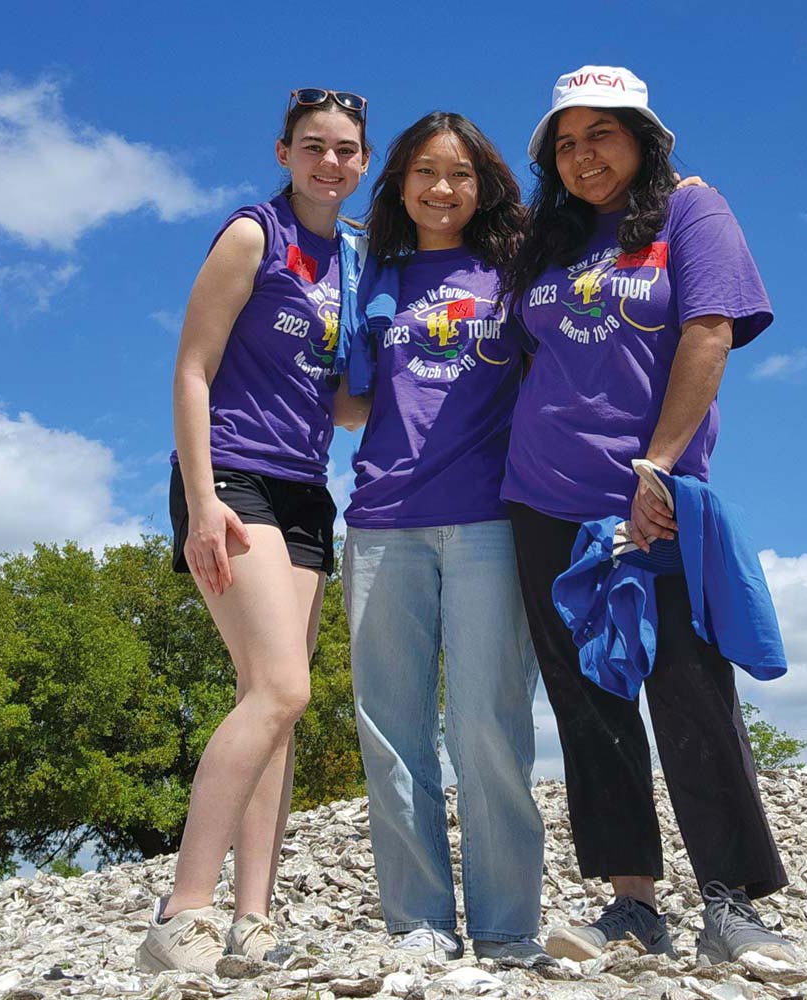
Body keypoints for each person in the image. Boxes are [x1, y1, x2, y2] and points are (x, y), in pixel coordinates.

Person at [500, 65, 797, 965]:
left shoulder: (691, 215)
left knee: (689, 689)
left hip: (653, 499)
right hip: (543, 499)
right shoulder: (543, 241)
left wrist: (657, 468)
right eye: (567, 139)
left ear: (645, 139)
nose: (585, 154)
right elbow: (513, 351)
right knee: (589, 700)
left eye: (604, 133)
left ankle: (729, 902)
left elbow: (709, 331)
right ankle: (631, 902)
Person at [136, 87, 370, 975]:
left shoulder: (353, 259)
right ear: (284, 153)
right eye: (314, 146)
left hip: (307, 490)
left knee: (273, 704)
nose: (331, 163)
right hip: (231, 479)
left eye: (347, 149)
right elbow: (192, 369)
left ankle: (253, 919)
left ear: (363, 162)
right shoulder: (251, 235)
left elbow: (344, 403)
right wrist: (201, 499)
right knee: (282, 688)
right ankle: (183, 910)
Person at [338, 112, 549, 965]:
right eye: (425, 171)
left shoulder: (518, 266)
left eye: (460, 174)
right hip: (384, 521)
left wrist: (678, 195)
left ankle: (506, 926)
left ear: (484, 186)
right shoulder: (374, 275)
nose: (441, 189)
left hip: (492, 520)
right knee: (391, 729)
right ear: (399, 183)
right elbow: (347, 398)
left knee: (489, 728)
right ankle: (418, 922)